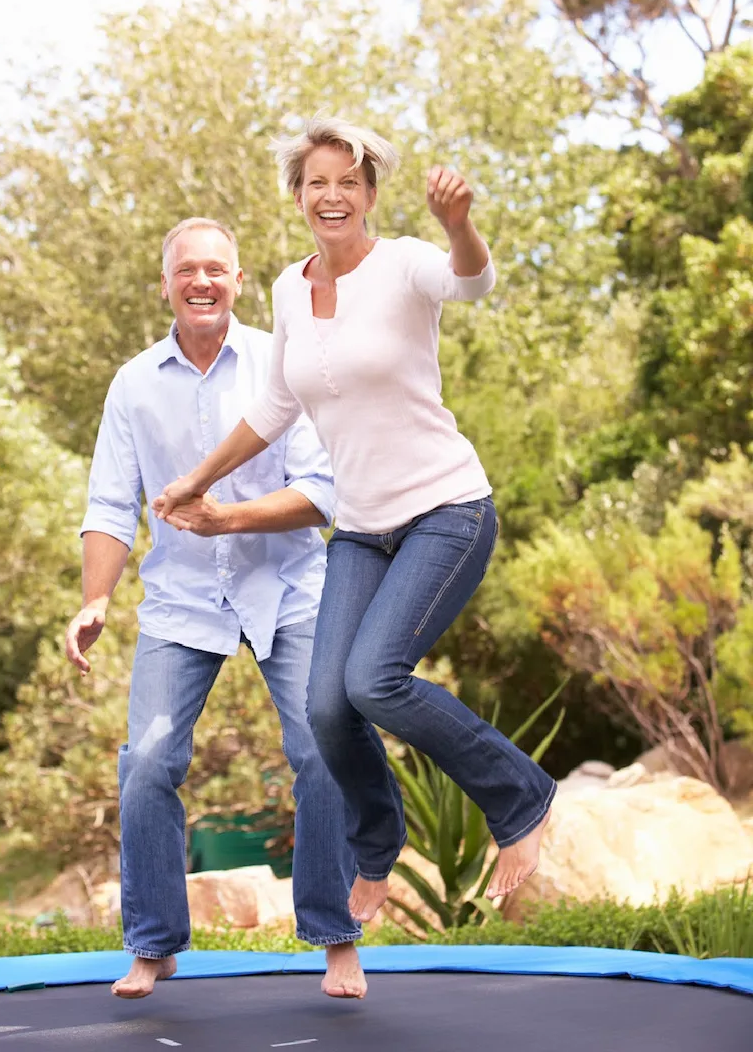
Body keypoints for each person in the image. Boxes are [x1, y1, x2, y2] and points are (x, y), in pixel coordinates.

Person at [153, 116, 557, 923]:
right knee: (327, 706)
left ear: (370, 194)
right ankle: (379, 846)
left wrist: (458, 225)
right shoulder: (287, 288)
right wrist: (194, 482)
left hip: (446, 510)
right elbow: (273, 406)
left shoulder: (407, 263)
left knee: (375, 680)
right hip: (364, 530)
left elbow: (472, 282)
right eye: (316, 183)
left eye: (348, 182)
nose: (331, 195)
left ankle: (521, 798)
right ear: (298, 196)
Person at [65, 216, 369, 1002]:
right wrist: (96, 597)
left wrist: (224, 516)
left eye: (215, 269)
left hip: (291, 589)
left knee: (321, 749)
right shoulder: (133, 384)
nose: (201, 281)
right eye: (185, 270)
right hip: (182, 599)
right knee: (146, 765)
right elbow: (108, 503)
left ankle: (337, 940)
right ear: (165, 284)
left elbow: (320, 495)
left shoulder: (281, 361)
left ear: (237, 280)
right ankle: (155, 945)